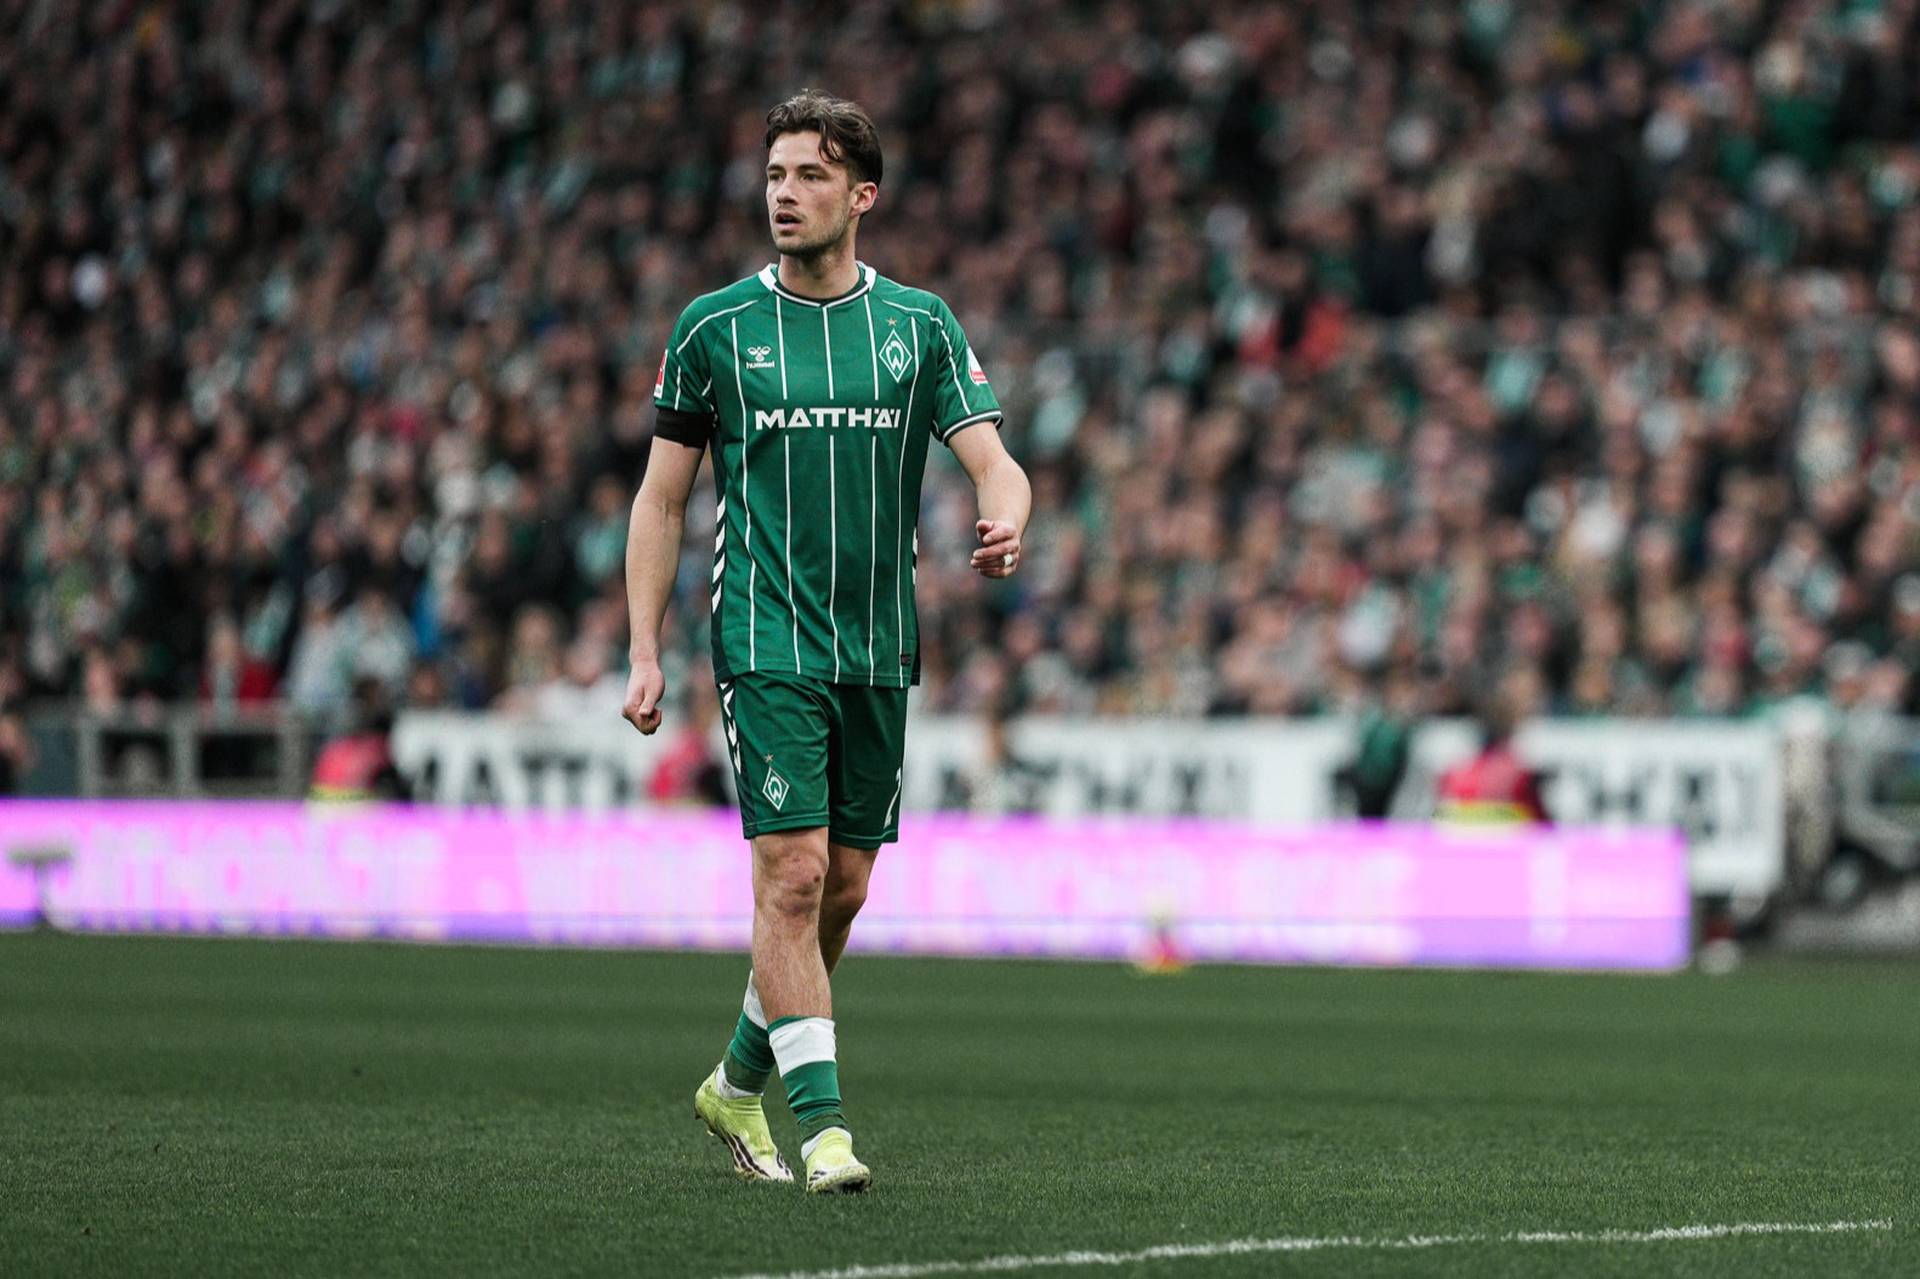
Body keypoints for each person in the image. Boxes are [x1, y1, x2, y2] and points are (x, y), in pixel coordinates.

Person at [621, 90, 1031, 1194]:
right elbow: (662, 503)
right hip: (762, 635)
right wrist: (646, 647)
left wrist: (1008, 508)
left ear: (862, 195)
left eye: (807, 176)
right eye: (773, 176)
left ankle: (733, 1081)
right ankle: (828, 1129)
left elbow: (993, 456)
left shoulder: (919, 326)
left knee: (841, 886)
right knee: (791, 876)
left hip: (878, 645)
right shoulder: (714, 329)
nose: (783, 195)